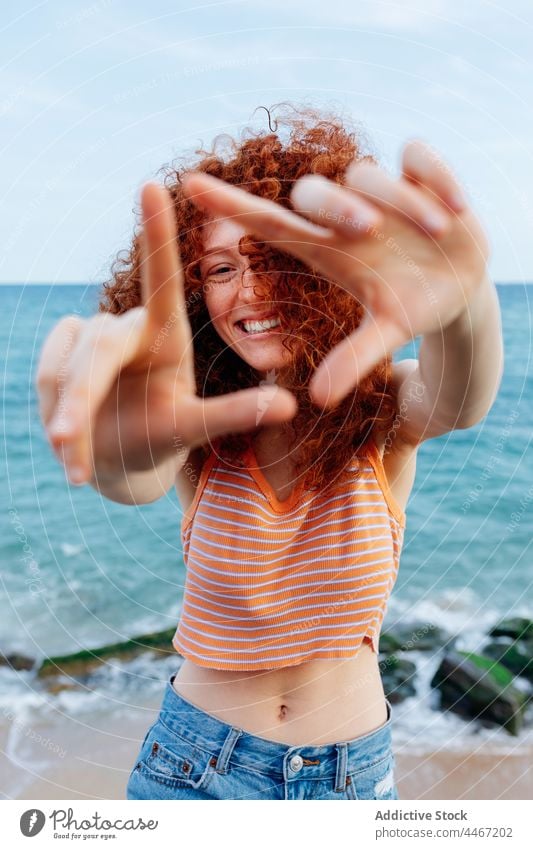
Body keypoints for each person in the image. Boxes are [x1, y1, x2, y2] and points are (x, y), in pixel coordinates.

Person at [36, 106, 504, 800]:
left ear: (325, 269)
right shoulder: (200, 432)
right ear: (194, 294)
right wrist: (111, 447)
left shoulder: (381, 414)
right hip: (193, 771)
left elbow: (458, 397)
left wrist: (460, 298)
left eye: (273, 259)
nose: (249, 291)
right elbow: (136, 477)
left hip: (349, 779)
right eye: (221, 268)